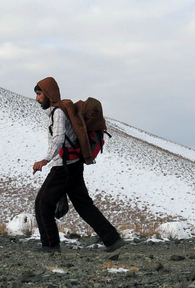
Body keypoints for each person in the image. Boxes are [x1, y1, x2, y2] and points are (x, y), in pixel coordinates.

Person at [32, 77, 125, 253]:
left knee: (43, 202)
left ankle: (50, 245)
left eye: (39, 94)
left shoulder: (58, 113)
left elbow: (58, 138)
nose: (37, 98)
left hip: (64, 166)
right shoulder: (61, 110)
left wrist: (44, 159)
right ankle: (112, 239)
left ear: (49, 94)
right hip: (74, 164)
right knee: (83, 205)